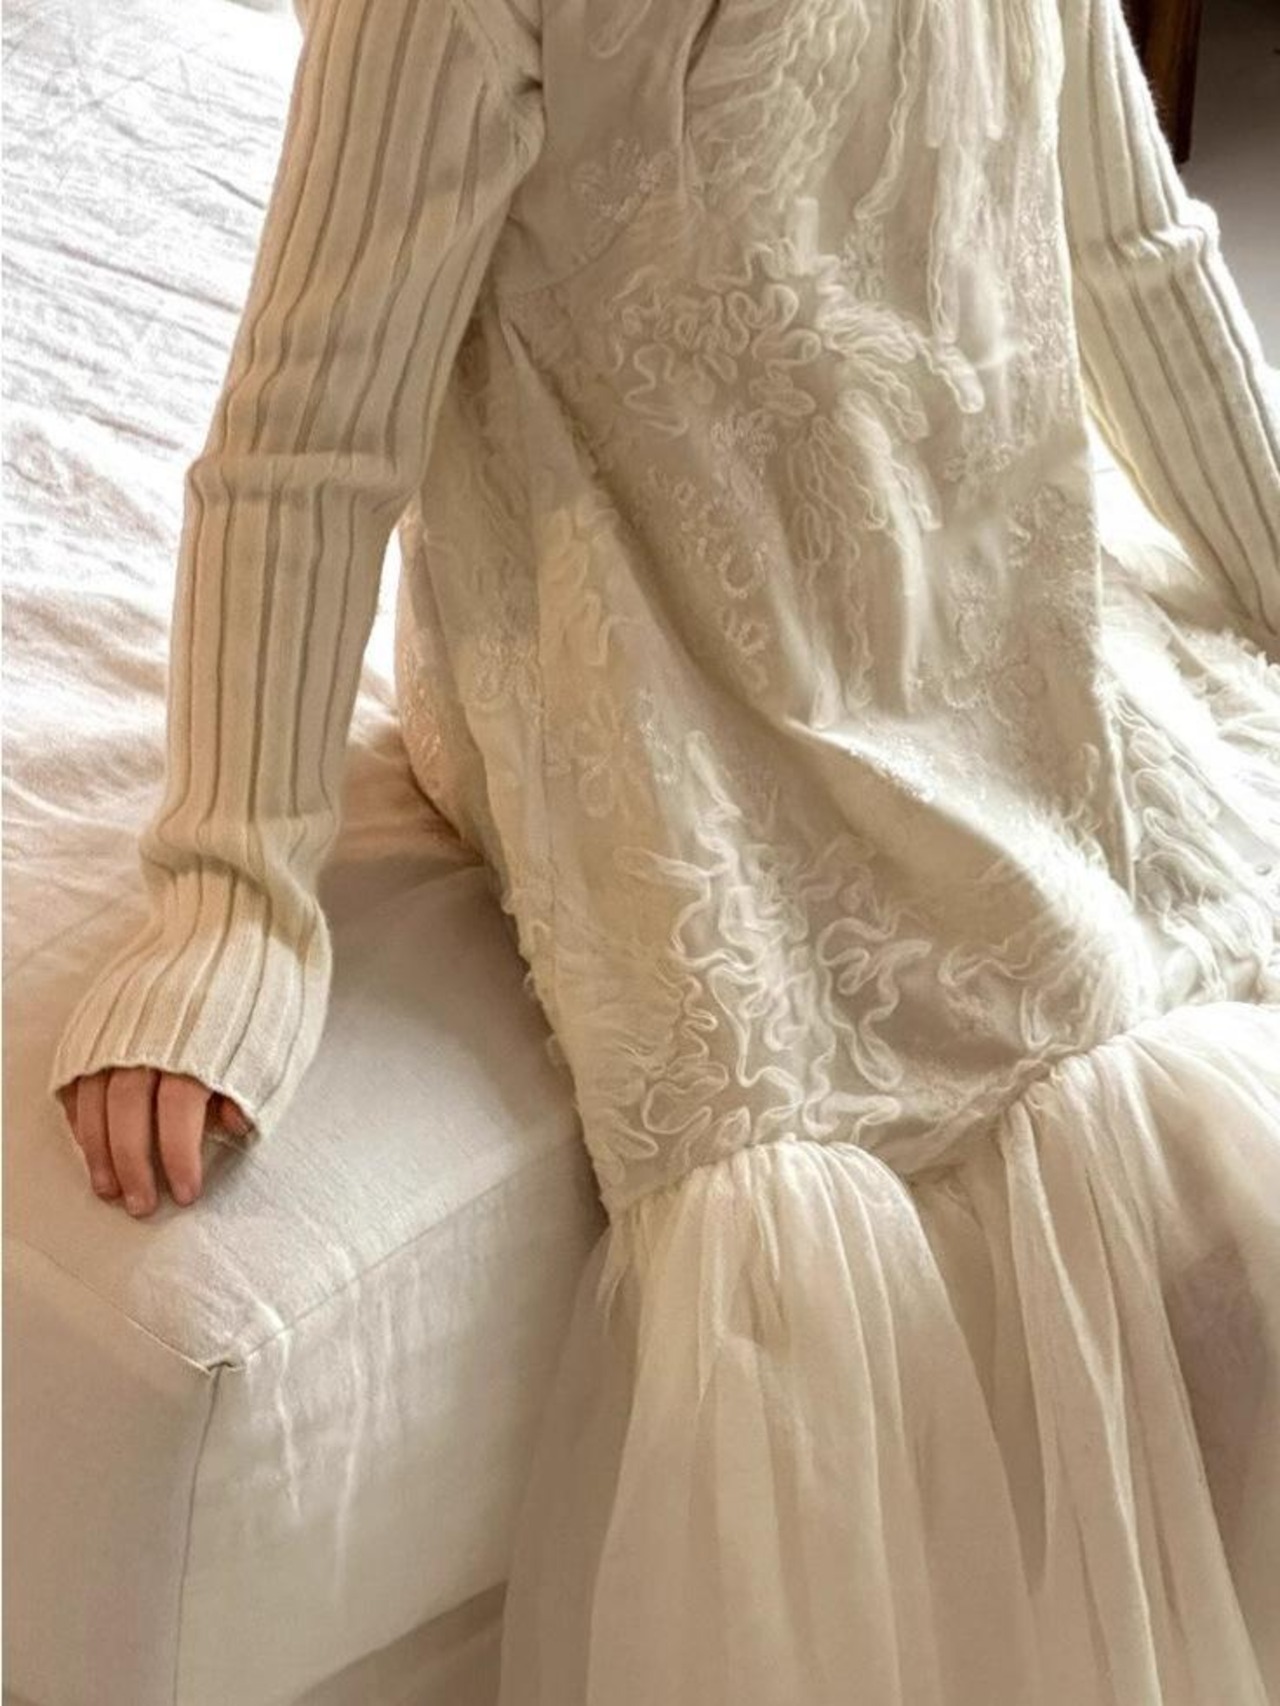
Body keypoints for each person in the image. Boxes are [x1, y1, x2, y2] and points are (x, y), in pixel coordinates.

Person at [49, 0, 1280, 1698]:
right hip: (651, 659)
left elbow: (1130, 253)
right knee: (1016, 1124)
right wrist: (231, 892)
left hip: (974, 589)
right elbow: (309, 437)